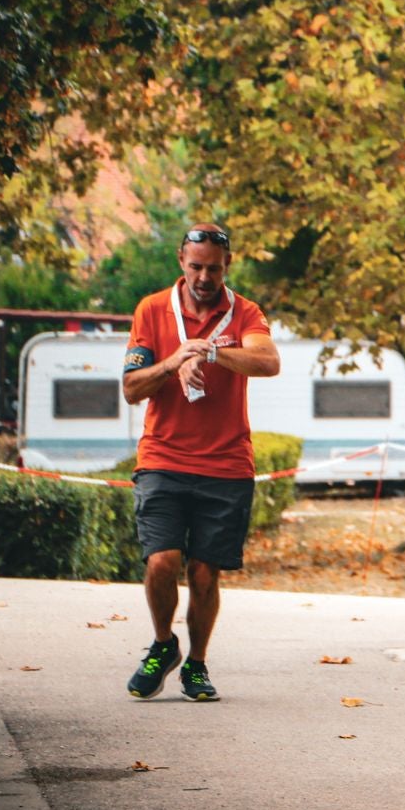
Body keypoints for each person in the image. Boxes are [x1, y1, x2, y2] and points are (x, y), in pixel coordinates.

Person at [120, 224, 280, 701]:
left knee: (206, 574)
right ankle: (164, 645)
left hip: (226, 464)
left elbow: (268, 361)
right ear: (180, 261)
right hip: (163, 458)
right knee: (162, 562)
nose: (205, 276)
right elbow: (131, 388)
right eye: (196, 266)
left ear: (227, 266)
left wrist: (211, 351)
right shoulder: (152, 309)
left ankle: (197, 663)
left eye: (214, 267)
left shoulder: (244, 312)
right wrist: (175, 359)